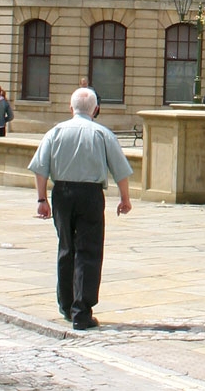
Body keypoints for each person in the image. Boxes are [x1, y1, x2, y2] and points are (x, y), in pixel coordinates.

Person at [28, 87, 132, 330]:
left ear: (70, 107)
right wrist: (124, 199)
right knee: (89, 250)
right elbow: (121, 169)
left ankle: (66, 304)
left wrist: (41, 199)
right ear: (95, 109)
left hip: (62, 193)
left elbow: (40, 168)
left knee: (66, 247)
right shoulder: (102, 134)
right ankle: (81, 310)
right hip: (90, 195)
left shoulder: (55, 132)